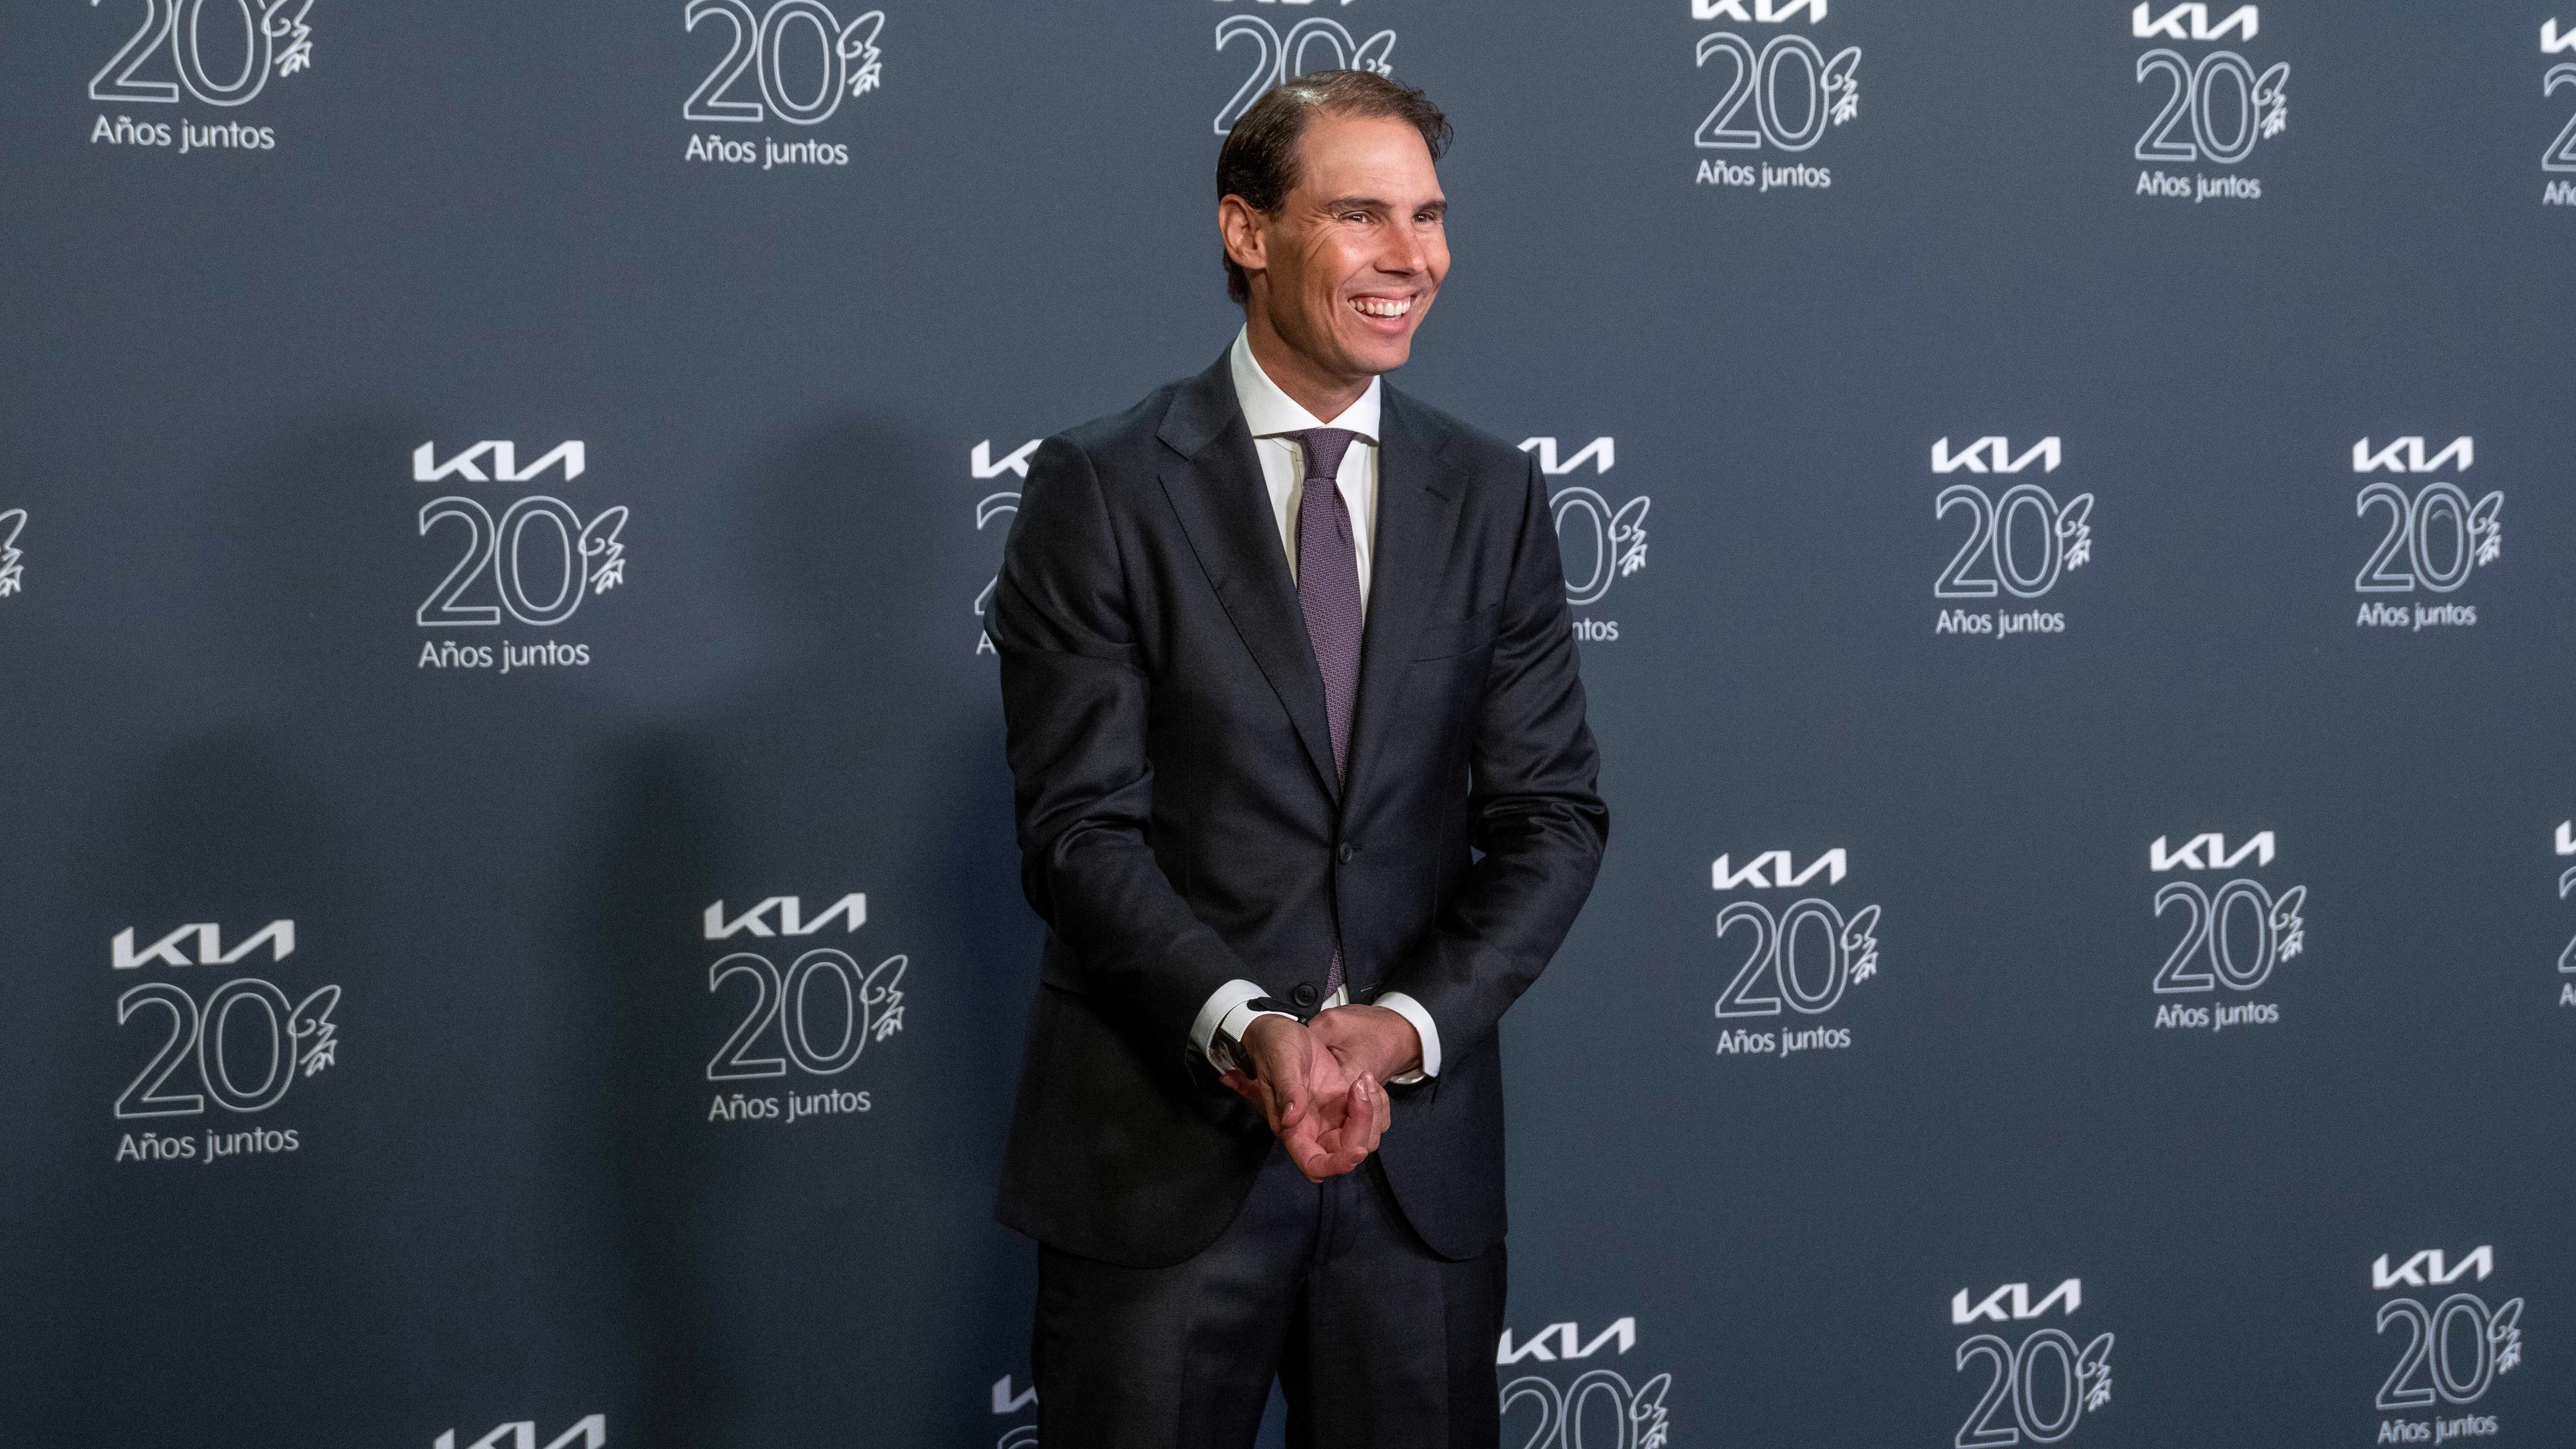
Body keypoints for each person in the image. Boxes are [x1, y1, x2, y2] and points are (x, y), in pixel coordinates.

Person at [987, 69, 1607, 1448]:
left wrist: (1405, 1027)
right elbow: (1079, 830)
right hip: (1160, 1165)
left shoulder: (1492, 494)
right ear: (1246, 231)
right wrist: (1249, 1026)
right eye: (1359, 214)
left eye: (1428, 216)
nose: (1410, 257)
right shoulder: (1102, 487)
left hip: (1413, 1184)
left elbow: (1552, 817)